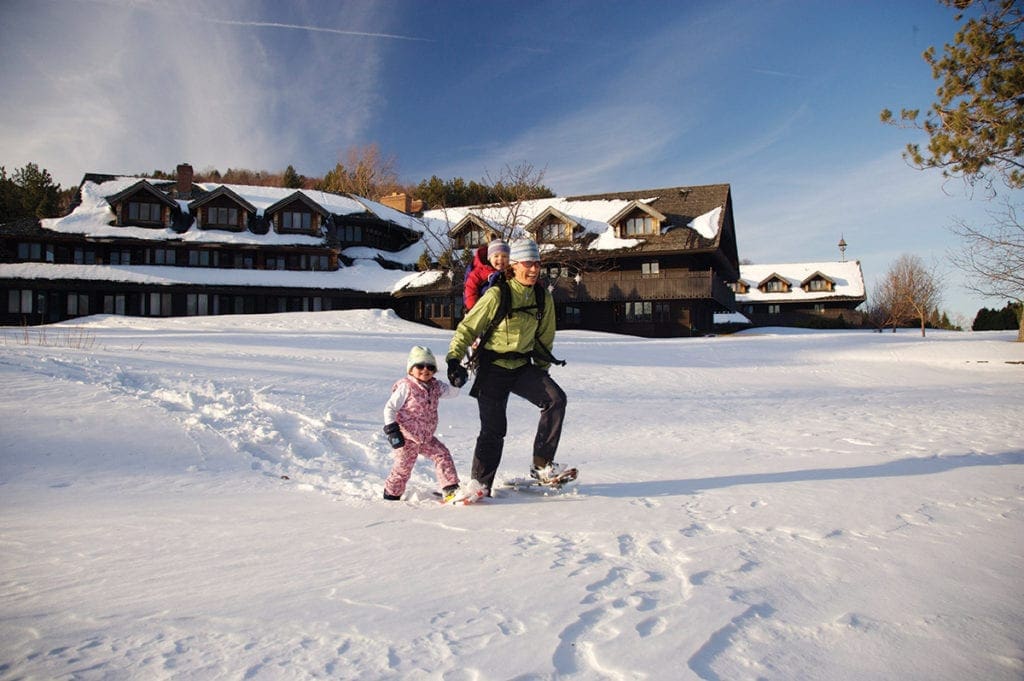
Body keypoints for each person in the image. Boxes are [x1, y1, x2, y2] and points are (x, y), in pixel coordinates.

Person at [446, 238, 568, 493]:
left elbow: (545, 337)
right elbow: (468, 327)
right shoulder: (497, 294)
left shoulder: (542, 297)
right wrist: (454, 359)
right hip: (493, 367)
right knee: (494, 429)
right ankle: (480, 484)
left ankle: (542, 464)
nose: (534, 269)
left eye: (537, 264)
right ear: (513, 266)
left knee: (555, 399)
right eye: (528, 264)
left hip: (523, 366)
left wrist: (541, 374)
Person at [382, 346, 461, 501]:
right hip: (407, 439)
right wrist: (392, 430)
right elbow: (389, 408)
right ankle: (391, 495)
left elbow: (452, 394)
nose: (426, 370)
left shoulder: (436, 386)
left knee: (442, 455)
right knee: (402, 469)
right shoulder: (406, 386)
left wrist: (456, 382)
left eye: (430, 367)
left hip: (426, 438)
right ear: (411, 369)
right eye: (420, 366)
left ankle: (450, 489)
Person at [463, 238, 510, 310]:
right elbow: (470, 287)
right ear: (489, 258)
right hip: (481, 306)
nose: (500, 259)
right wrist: (472, 306)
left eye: (504, 256)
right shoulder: (480, 271)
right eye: (496, 256)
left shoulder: (509, 271)